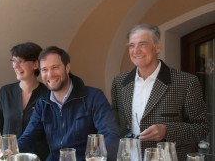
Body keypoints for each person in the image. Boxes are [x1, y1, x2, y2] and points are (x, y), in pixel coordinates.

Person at [111, 24, 208, 160]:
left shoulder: (187, 82)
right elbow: (115, 123)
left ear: (157, 47)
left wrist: (167, 131)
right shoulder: (119, 82)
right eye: (131, 45)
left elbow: (201, 128)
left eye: (142, 44)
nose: (136, 50)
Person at [18, 46, 121, 161]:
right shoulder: (42, 104)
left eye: (55, 67)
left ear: (67, 68)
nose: (50, 74)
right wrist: (9, 153)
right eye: (45, 70)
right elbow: (28, 138)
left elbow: (110, 134)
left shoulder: (94, 97)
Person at [0, 42, 49, 160]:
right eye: (13, 61)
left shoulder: (48, 95)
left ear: (35, 64)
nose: (15, 66)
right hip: (7, 158)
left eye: (21, 61)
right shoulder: (5, 92)